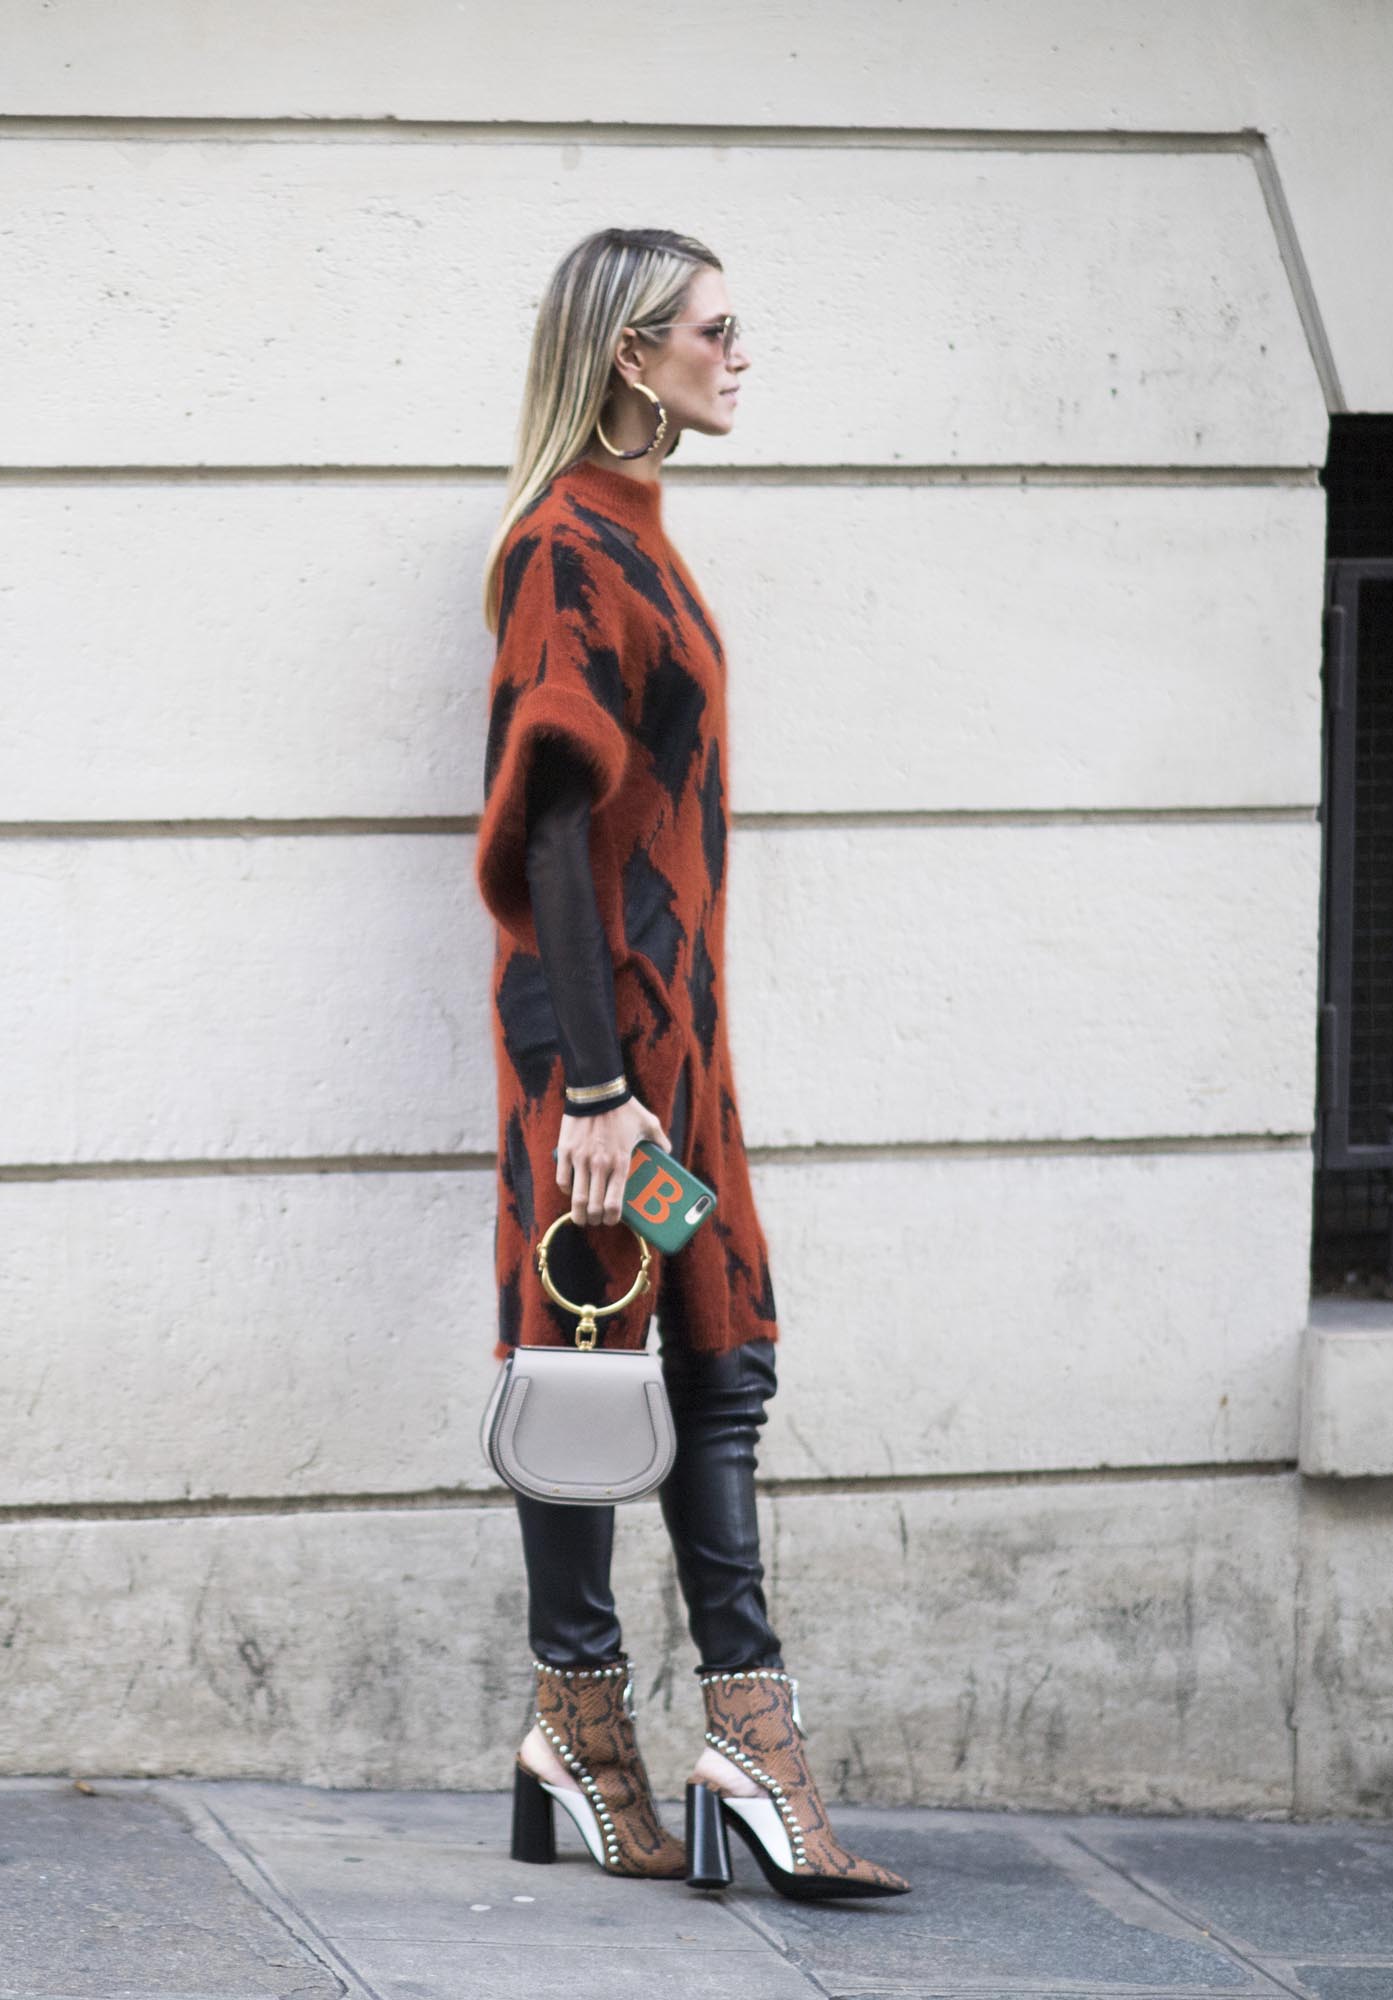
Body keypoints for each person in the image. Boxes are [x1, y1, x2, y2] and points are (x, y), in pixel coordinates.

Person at [471, 227, 908, 1900]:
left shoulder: (637, 540)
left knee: (717, 1363)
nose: (743, 355)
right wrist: (591, 1089)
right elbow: (557, 828)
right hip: (600, 1054)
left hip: (674, 1044)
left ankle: (733, 1733)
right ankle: (588, 1725)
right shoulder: (564, 549)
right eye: (719, 331)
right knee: (592, 1368)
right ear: (632, 354)